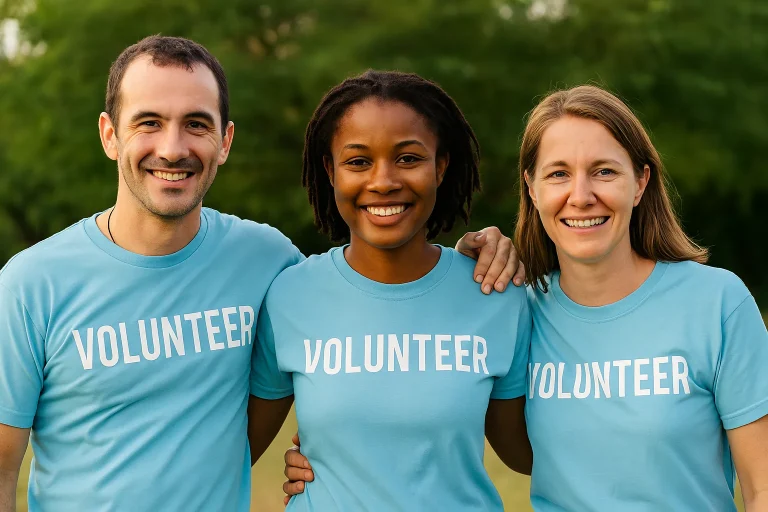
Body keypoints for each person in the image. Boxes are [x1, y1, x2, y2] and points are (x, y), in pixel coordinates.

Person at [0, 36, 519, 512]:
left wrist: (489, 246)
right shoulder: (30, 284)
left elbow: (364, 315)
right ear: (110, 134)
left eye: (196, 124)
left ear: (225, 141)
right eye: (149, 122)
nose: (174, 148)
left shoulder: (269, 262)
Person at [282, 84, 768, 511]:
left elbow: (761, 488)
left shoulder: (716, 303)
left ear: (640, 182)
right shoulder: (512, 305)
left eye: (603, 171)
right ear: (531, 189)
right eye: (558, 174)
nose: (580, 195)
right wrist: (335, 453)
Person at [246, 70, 533, 511]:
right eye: (358, 161)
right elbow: (233, 448)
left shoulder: (495, 293)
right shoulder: (289, 295)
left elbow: (528, 454)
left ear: (441, 165)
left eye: (408, 158)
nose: (383, 181)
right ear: (330, 170)